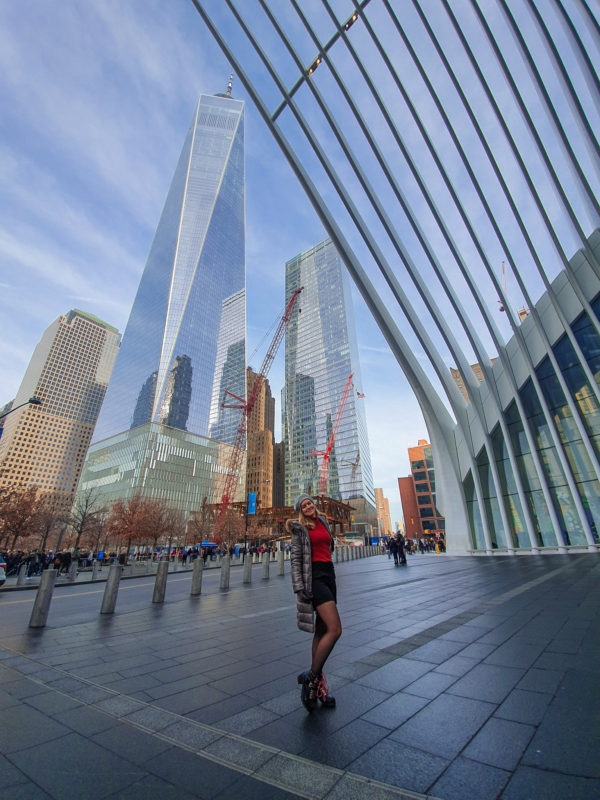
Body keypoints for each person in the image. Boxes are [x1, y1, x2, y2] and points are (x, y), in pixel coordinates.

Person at [287, 494, 341, 712]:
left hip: (329, 575)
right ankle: (312, 677)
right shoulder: (299, 528)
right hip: (314, 578)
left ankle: (316, 687)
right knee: (335, 629)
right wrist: (299, 587)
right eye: (303, 505)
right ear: (300, 511)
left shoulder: (324, 521)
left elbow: (329, 547)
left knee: (321, 632)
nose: (307, 506)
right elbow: (296, 559)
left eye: (309, 503)